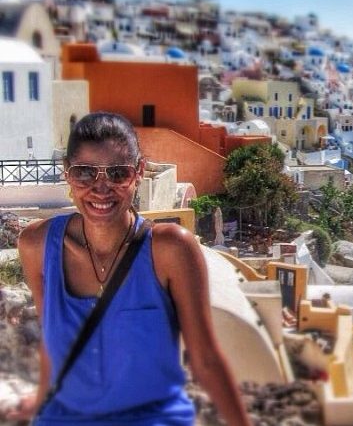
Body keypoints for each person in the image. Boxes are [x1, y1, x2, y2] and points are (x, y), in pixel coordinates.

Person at [4, 112, 251, 426]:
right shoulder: (36, 245)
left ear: (139, 172)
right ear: (67, 173)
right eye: (85, 173)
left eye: (118, 173)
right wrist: (40, 402)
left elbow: (206, 360)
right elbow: (52, 343)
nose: (101, 188)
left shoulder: (170, 249)